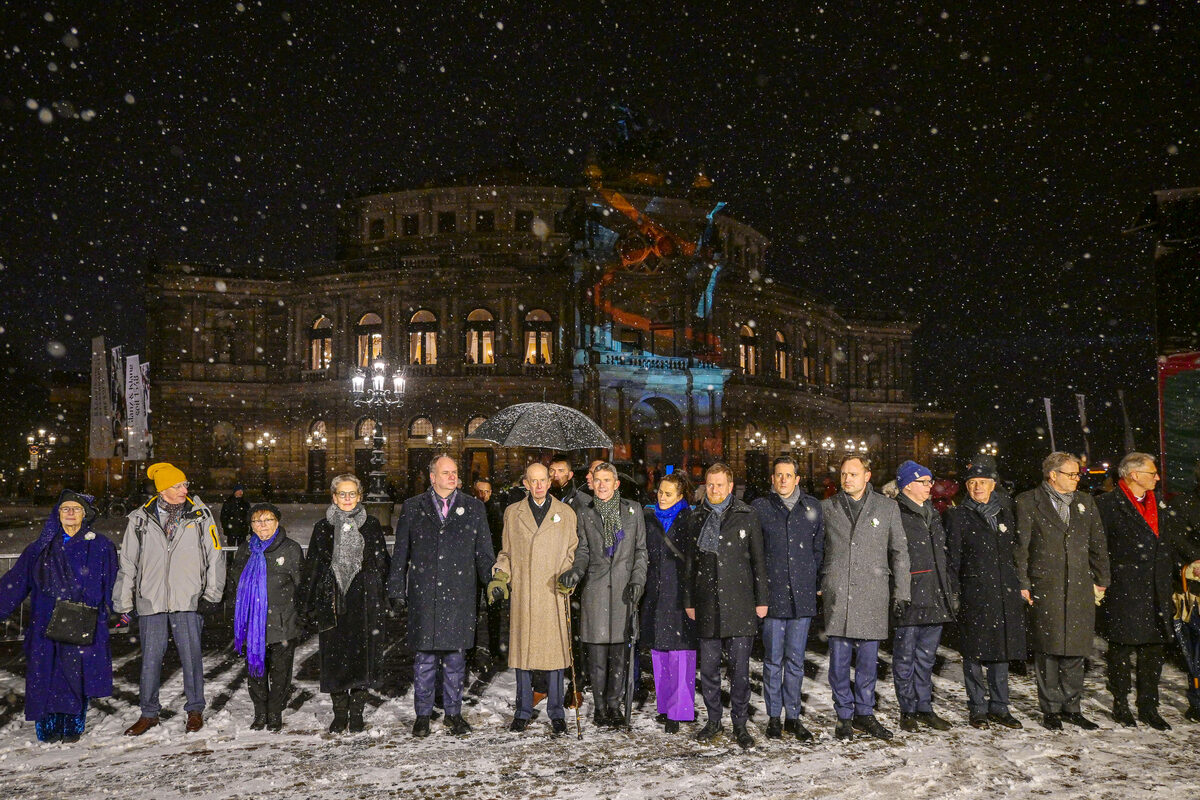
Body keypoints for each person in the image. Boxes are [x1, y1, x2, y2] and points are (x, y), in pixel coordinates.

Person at [114, 462, 225, 736]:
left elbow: (215, 554)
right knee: (150, 659)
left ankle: (195, 710)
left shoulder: (200, 515)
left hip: (187, 599)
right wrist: (124, 601)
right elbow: (128, 562)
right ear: (163, 490)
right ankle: (148, 713)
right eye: (177, 485)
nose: (184, 489)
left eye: (185, 484)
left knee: (192, 657)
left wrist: (212, 593)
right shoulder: (139, 519)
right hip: (151, 600)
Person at [389, 455, 495, 737]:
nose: (452, 477)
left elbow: (484, 553)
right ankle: (422, 715)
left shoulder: (473, 508)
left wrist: (492, 583)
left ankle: (453, 714)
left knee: (455, 660)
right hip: (425, 596)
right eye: (445, 472)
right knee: (424, 660)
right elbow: (401, 554)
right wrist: (397, 589)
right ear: (432, 477)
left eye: (455, 472)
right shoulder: (413, 508)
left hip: (460, 596)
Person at [0, 491, 118, 743]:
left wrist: (122, 610)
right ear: (57, 513)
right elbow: (16, 581)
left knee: (75, 674)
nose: (71, 513)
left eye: (76, 508)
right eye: (65, 508)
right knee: (44, 674)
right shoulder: (40, 547)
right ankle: (47, 727)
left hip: (82, 619)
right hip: (45, 620)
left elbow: (113, 582)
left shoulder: (100, 545)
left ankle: (73, 725)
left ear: (85, 514)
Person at [1097, 452, 1200, 730]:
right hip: (1124, 588)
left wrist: (1186, 564)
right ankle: (1121, 704)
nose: (1157, 477)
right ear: (1133, 475)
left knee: (1153, 651)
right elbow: (1098, 549)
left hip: (1157, 588)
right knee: (1121, 649)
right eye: (1152, 473)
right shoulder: (1106, 505)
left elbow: (1167, 543)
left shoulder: (1160, 504)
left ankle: (1148, 706)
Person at [1015, 451, 1110, 731]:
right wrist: (1023, 583)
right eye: (1071, 474)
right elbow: (1021, 549)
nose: (1076, 478)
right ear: (1052, 475)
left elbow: (1098, 543)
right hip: (1047, 584)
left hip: (1081, 584)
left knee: (1077, 648)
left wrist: (1102, 578)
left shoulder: (1085, 502)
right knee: (1049, 648)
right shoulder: (1027, 501)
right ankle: (1051, 709)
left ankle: (1072, 707)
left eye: (1077, 474)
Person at [820, 455, 909, 741]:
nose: (847, 479)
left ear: (867, 476)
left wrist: (902, 591)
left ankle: (865, 713)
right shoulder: (827, 508)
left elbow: (899, 552)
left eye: (853, 474)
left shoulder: (887, 507)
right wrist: (822, 581)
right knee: (839, 663)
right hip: (840, 594)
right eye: (844, 474)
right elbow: (816, 550)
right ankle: (844, 716)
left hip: (872, 593)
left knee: (869, 662)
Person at [682, 462, 768, 750]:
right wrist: (689, 601)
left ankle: (740, 723)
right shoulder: (696, 517)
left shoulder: (747, 515)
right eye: (710, 484)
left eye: (720, 484)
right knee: (708, 669)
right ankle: (714, 720)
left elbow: (758, 561)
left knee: (739, 670)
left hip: (741, 604)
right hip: (706, 604)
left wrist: (762, 600)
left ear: (731, 487)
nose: (715, 489)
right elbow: (690, 565)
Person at [489, 462, 578, 735]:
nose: (539, 486)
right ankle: (523, 710)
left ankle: (556, 713)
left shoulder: (565, 513)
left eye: (543, 480)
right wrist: (500, 575)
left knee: (554, 657)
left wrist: (568, 576)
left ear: (550, 482)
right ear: (525, 483)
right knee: (524, 657)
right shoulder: (513, 513)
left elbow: (571, 552)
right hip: (525, 593)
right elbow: (506, 552)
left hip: (552, 593)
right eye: (533, 481)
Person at [298, 474, 391, 734]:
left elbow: (382, 562)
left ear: (360, 497)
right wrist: (306, 602)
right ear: (334, 497)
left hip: (363, 600)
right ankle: (340, 713)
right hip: (333, 599)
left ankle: (357, 713)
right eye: (342, 494)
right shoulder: (323, 528)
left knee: (363, 659)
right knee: (336, 658)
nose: (347, 499)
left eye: (352, 494)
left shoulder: (371, 525)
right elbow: (313, 566)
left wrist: (384, 594)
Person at [561, 462, 648, 727]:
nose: (601, 485)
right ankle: (599, 707)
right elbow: (583, 550)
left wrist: (638, 582)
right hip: (596, 593)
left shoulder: (633, 511)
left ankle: (614, 705)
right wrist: (575, 572)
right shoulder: (584, 512)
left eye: (606, 480)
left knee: (620, 657)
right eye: (597, 480)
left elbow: (640, 552)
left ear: (616, 483)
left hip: (624, 592)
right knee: (597, 658)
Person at [945, 458, 1027, 729]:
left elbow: (1015, 552)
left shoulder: (1005, 513)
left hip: (1004, 593)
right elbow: (953, 558)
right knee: (973, 654)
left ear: (994, 485)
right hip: (974, 593)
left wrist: (1020, 585)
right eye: (972, 483)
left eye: (983, 482)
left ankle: (1000, 707)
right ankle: (977, 707)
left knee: (1001, 652)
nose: (977, 487)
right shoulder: (958, 515)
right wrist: (955, 592)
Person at [751, 455, 823, 741]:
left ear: (797, 479)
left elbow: (818, 549)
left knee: (795, 660)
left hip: (802, 597)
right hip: (773, 596)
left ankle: (793, 716)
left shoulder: (812, 507)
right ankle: (773, 717)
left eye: (788, 475)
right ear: (772, 479)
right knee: (772, 659)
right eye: (778, 475)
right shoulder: (761, 508)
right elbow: (754, 553)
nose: (783, 480)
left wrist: (813, 582)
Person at [225, 502, 304, 732]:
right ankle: (260, 712)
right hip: (252, 623)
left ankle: (275, 712)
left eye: (268, 520)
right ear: (251, 525)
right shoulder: (245, 549)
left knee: (280, 672)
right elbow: (235, 582)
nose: (262, 525)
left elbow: (302, 585)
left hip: (283, 622)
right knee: (256, 672)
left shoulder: (290, 549)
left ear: (277, 522)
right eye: (257, 521)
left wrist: (301, 617)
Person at [891, 460, 956, 732]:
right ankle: (908, 709)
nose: (931, 486)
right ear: (908, 485)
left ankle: (924, 707)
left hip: (935, 593)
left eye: (930, 481)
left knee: (927, 657)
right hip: (910, 595)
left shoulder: (932, 512)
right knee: (905, 656)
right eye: (924, 481)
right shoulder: (895, 512)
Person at [642, 472, 696, 734]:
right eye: (660, 492)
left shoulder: (690, 519)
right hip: (655, 592)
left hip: (679, 593)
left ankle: (680, 710)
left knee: (680, 652)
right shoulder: (649, 519)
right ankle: (664, 707)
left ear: (681, 496)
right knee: (660, 651)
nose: (662, 498)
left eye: (668, 494)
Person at [472, 477, 507, 664]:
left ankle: (495, 649)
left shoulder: (497, 512)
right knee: (471, 612)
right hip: (472, 569)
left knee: (495, 613)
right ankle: (470, 652)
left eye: (486, 491)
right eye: (480, 491)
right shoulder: (470, 511)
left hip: (493, 568)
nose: (483, 495)